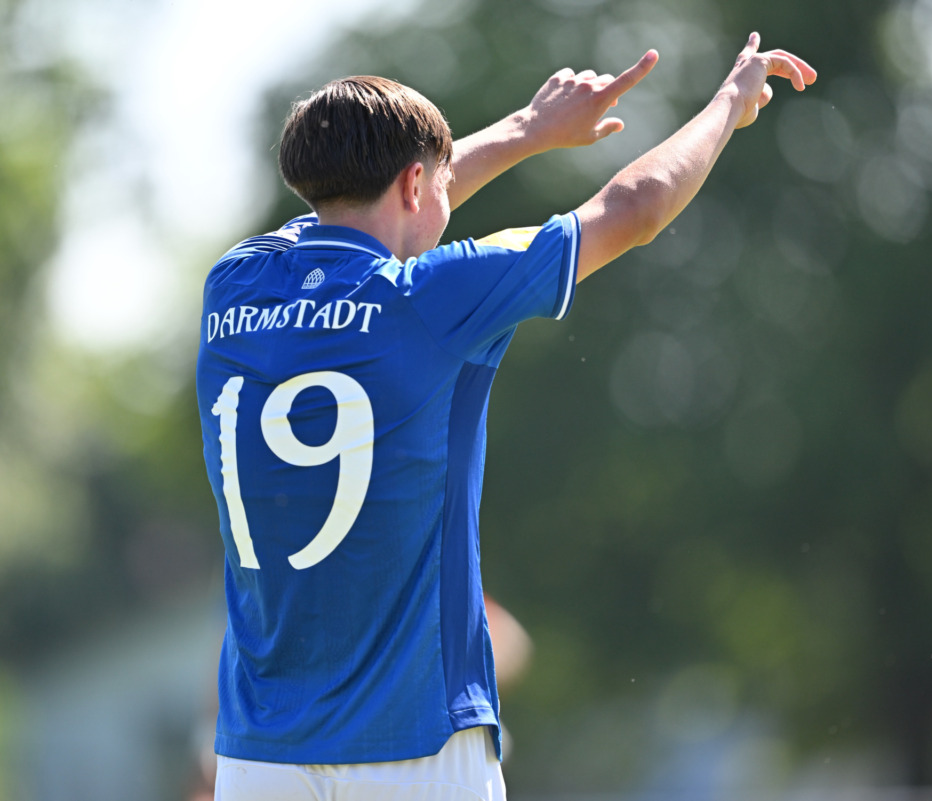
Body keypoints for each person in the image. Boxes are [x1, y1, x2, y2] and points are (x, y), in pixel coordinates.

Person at [195, 32, 815, 801]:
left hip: (261, 754)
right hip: (417, 744)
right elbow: (636, 207)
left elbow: (386, 203)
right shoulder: (433, 298)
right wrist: (729, 104)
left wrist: (529, 129)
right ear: (417, 185)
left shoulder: (236, 285)